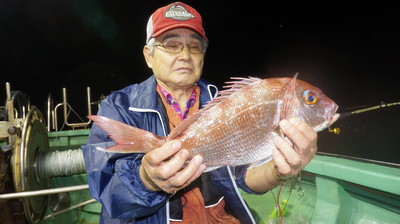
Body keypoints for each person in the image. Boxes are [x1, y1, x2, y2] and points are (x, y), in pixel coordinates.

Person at [82, 2, 318, 223]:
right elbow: (106, 192)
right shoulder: (119, 107)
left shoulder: (224, 104)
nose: (185, 55)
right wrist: (146, 180)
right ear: (148, 56)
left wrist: (279, 171)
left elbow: (242, 179)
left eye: (194, 46)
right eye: (171, 45)